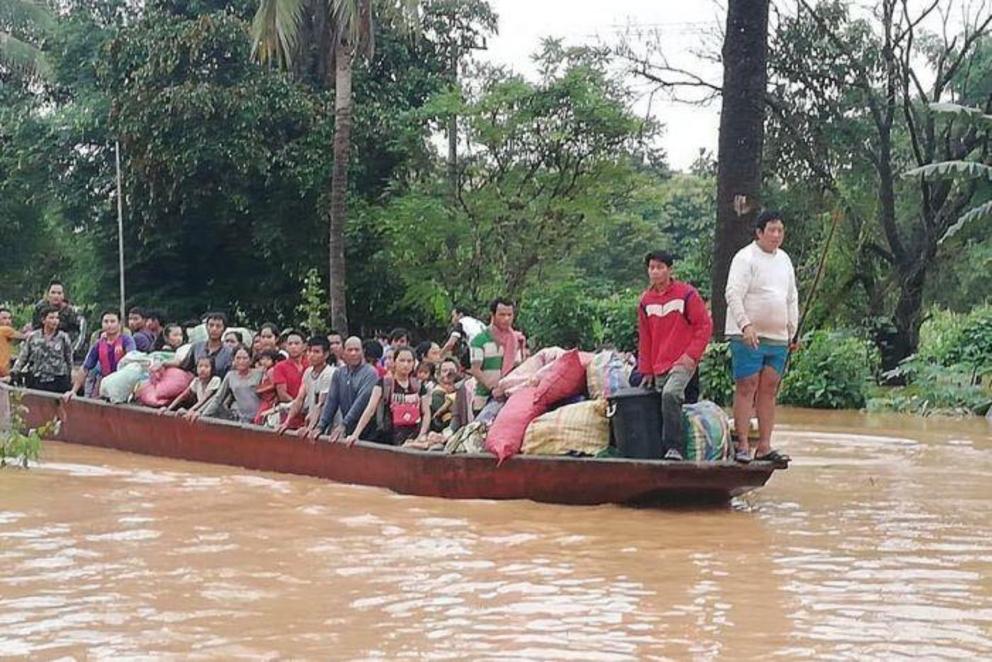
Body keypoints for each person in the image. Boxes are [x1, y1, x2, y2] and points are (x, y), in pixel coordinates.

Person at [725, 210, 798, 465]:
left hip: (778, 337)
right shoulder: (745, 258)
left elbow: (791, 297)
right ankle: (743, 444)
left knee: (769, 389)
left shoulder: (785, 260)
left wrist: (793, 330)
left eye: (780, 230)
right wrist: (745, 325)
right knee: (747, 387)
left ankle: (765, 445)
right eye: (772, 230)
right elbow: (733, 293)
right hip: (748, 335)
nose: (777, 235)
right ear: (759, 232)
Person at [637, 250, 713, 461]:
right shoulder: (645, 301)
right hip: (659, 363)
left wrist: (692, 355)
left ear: (670, 270)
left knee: (670, 394)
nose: (655, 272)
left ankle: (675, 448)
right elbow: (645, 338)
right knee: (654, 401)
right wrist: (647, 370)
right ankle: (658, 449)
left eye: (660, 268)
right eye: (652, 268)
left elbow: (704, 326)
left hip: (682, 361)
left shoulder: (686, 294)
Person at [346, 347, 430, 446]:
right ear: (394, 362)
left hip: (413, 437)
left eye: (409, 361)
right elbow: (370, 409)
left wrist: (421, 435)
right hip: (388, 438)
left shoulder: (418, 386)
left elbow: (426, 412)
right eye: (402, 360)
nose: (406, 364)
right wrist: (355, 434)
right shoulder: (384, 384)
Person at [311, 337, 379, 441]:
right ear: (343, 352)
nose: (353, 353)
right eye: (350, 350)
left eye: (357, 350)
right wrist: (321, 426)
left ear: (363, 351)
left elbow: (361, 402)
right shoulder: (339, 373)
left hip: (369, 430)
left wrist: (344, 424)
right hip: (349, 428)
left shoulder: (370, 373)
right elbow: (331, 401)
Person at [468, 297, 527, 414]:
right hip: (484, 398)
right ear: (493, 315)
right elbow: (475, 370)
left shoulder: (515, 339)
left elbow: (518, 366)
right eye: (502, 315)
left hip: (509, 397)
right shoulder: (479, 340)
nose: (506, 319)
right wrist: (493, 388)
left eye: (509, 315)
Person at [66, 310, 137, 400]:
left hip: (125, 388)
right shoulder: (98, 344)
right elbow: (85, 368)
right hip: (106, 386)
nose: (109, 325)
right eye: (106, 322)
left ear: (119, 323)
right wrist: (73, 391)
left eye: (112, 321)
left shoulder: (127, 340)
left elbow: (133, 358)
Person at [277, 337, 336, 435]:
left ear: (325, 355)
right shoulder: (308, 372)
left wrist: (310, 428)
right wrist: (286, 422)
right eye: (309, 351)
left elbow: (321, 404)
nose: (311, 355)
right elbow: (299, 399)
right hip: (313, 423)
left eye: (316, 352)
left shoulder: (330, 373)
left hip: (328, 425)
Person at [13, 305, 74, 393]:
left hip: (58, 379)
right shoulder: (33, 337)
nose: (55, 321)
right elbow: (23, 357)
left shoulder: (63, 337)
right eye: (51, 318)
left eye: (57, 318)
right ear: (43, 320)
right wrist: (15, 372)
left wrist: (72, 375)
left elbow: (69, 359)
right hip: (37, 378)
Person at [194, 345, 261, 423]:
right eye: (238, 358)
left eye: (245, 358)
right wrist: (202, 414)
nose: (241, 361)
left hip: (259, 416)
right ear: (233, 360)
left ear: (250, 360)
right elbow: (218, 398)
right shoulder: (230, 376)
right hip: (242, 418)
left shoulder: (259, 374)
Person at [32, 280, 85, 354]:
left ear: (63, 295)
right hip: (41, 346)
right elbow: (35, 328)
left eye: (59, 293)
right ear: (48, 294)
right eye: (53, 293)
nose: (56, 296)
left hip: (62, 347)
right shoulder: (40, 308)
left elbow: (75, 332)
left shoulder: (69, 311)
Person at [178, 312, 234, 379]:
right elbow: (185, 366)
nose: (214, 329)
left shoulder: (229, 352)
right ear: (206, 327)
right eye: (211, 325)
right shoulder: (197, 347)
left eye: (218, 326)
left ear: (224, 329)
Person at [429, 357, 469, 434]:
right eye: (444, 371)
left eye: (452, 370)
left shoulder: (464, 388)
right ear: (438, 375)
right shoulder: (437, 393)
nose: (448, 374)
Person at [271, 330, 307, 405]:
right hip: (289, 410)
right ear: (286, 347)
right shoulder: (280, 367)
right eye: (290, 344)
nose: (293, 347)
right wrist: (298, 405)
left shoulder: (310, 364)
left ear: (304, 346)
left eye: (297, 343)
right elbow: (282, 395)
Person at [0, 306, 25, 380]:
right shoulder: (4, 330)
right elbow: (24, 337)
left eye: (9, 318)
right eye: (4, 318)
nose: (8, 321)